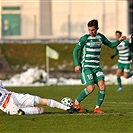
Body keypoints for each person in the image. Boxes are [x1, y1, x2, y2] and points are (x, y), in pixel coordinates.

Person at [73, 19, 126, 114]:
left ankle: (97, 108)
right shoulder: (85, 38)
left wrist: (119, 40)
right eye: (89, 30)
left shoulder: (100, 37)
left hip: (96, 67)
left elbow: (111, 45)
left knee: (102, 85)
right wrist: (77, 64)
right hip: (87, 67)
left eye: (93, 30)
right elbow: (75, 51)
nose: (91, 32)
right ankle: (76, 103)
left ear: (97, 28)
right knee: (91, 88)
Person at [0, 80, 74, 115]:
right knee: (42, 104)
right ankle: (67, 108)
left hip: (7, 107)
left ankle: (22, 112)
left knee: (40, 110)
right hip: (13, 97)